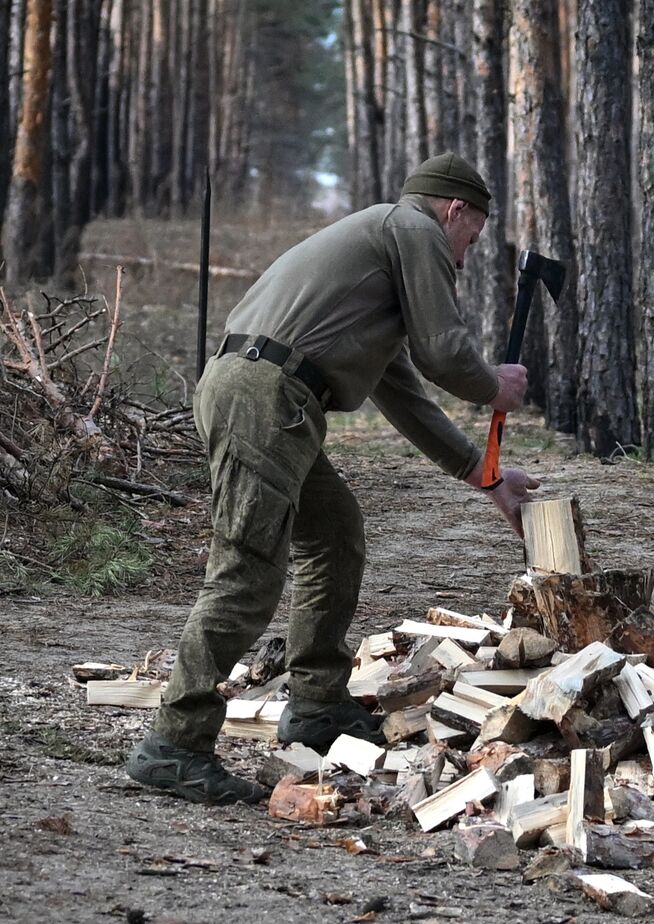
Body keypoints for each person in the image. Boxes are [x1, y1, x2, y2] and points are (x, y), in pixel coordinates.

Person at [126, 154, 538, 805]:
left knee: (334, 532)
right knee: (248, 568)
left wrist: (481, 473)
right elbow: (441, 352)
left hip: (268, 394)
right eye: (472, 240)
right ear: (455, 211)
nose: (462, 259)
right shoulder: (415, 229)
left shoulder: (381, 253)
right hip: (266, 397)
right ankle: (174, 744)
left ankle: (317, 707)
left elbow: (401, 388)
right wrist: (493, 385)